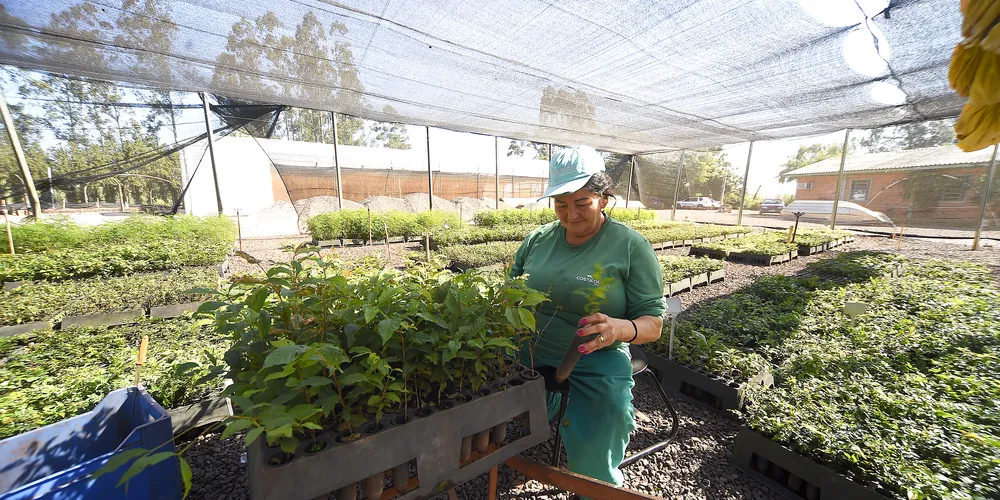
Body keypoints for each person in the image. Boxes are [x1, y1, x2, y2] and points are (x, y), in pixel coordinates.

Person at [510, 145, 666, 488]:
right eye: (561, 205)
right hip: (525, 353)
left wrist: (619, 328)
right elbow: (508, 292)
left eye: (582, 203)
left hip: (594, 359)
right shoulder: (538, 240)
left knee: (603, 426)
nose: (571, 215)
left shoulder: (630, 247)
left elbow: (653, 323)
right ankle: (541, 419)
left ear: (604, 199)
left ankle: (594, 488)